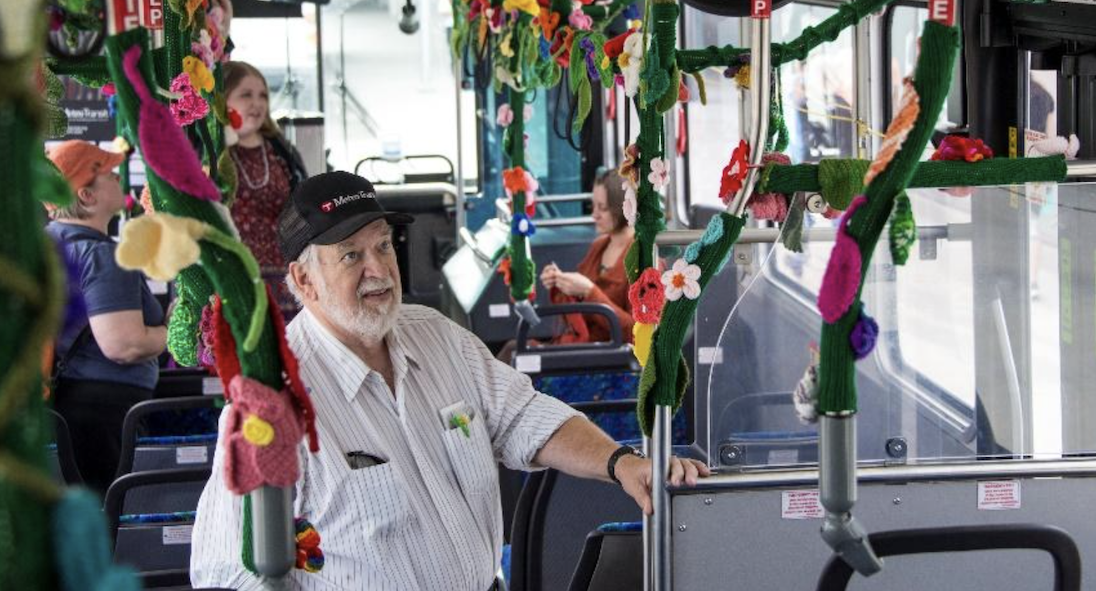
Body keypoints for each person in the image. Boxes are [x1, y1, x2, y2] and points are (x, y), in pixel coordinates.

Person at [190, 172, 707, 590]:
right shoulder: (271, 401)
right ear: (303, 280)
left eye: (384, 247)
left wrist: (621, 464)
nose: (379, 269)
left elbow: (526, 418)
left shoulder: (436, 336)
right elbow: (227, 572)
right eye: (351, 255)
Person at [44, 140, 167, 492]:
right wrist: (172, 330)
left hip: (64, 407)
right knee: (116, 524)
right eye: (110, 174)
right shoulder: (101, 256)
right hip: (105, 412)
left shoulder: (47, 244)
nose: (119, 178)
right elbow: (124, 345)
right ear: (86, 196)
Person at [224, 61, 308, 320]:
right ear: (223, 98)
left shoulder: (281, 150)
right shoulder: (211, 150)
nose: (256, 103)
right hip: (234, 280)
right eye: (246, 94)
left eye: (262, 95)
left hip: (285, 281)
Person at [540, 168, 636, 344]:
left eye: (603, 208)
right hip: (582, 345)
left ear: (623, 209)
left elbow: (638, 335)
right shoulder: (599, 246)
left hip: (605, 356)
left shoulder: (642, 259)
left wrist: (590, 292)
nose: (594, 215)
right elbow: (576, 313)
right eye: (593, 207)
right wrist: (561, 284)